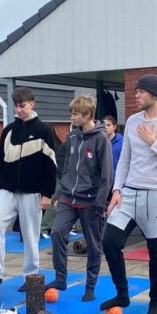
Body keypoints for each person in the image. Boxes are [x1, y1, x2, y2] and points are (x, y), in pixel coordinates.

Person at [101, 74, 157, 314]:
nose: (135, 96)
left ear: (154, 94)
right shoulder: (133, 121)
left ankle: (154, 303)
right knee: (110, 242)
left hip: (156, 194)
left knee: (155, 252)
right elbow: (125, 159)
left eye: (139, 92)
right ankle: (122, 294)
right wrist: (117, 190)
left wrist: (153, 142)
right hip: (129, 193)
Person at [0, 86, 58, 289]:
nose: (18, 110)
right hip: (7, 190)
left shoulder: (44, 130)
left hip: (32, 193)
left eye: (22, 105)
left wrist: (47, 194)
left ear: (32, 104)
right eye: (16, 106)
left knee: (30, 234)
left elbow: (50, 165)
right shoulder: (8, 131)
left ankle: (30, 276)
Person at [47, 95, 113, 301]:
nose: (71, 117)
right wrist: (60, 193)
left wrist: (101, 203)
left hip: (91, 201)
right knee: (57, 232)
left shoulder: (101, 139)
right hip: (68, 197)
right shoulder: (72, 137)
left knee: (94, 245)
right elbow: (66, 166)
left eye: (75, 114)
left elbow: (106, 175)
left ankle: (90, 285)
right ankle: (60, 278)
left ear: (86, 115)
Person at [39, 126, 66, 239]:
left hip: (57, 176)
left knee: (56, 202)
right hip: (57, 176)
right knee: (53, 202)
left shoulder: (57, 146)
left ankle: (46, 227)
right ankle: (44, 228)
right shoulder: (58, 146)